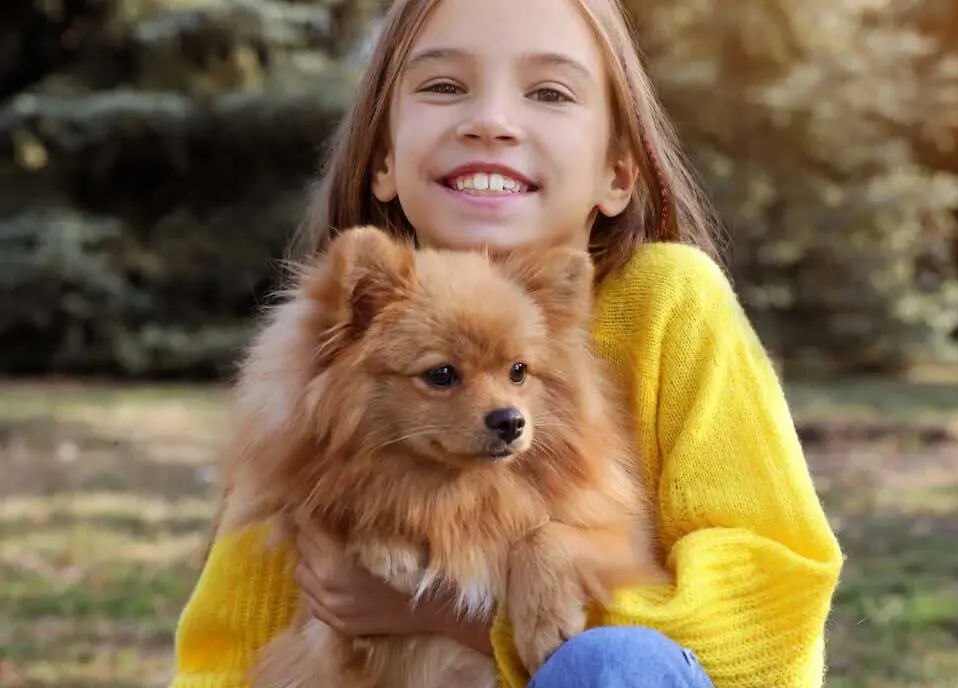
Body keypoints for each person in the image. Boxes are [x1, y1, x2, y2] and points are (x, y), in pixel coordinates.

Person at [170, 0, 844, 686]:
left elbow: (773, 594)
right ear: (382, 159)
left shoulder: (671, 300)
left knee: (615, 662)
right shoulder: (331, 355)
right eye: (444, 86)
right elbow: (229, 651)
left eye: (549, 92)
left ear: (618, 172)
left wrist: (457, 617)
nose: (490, 122)